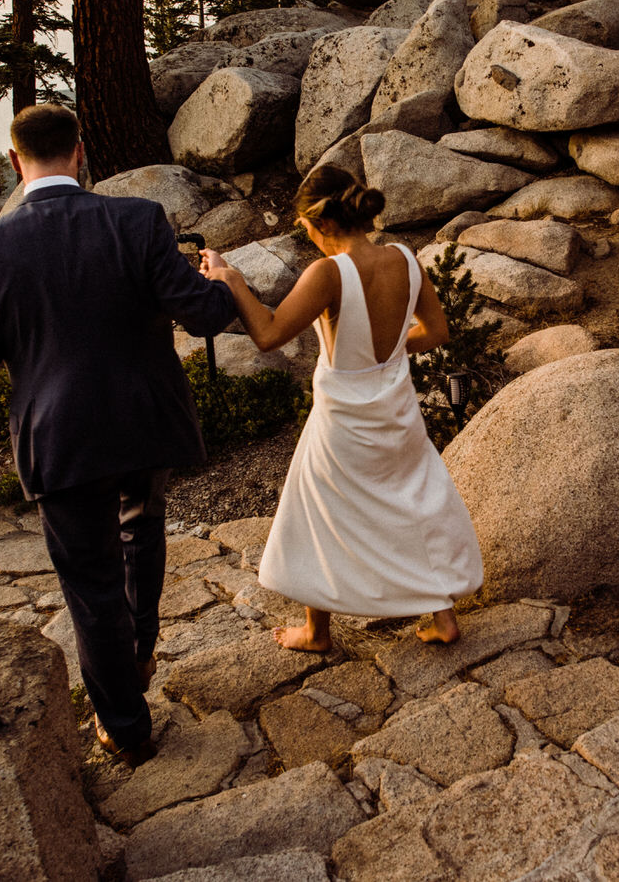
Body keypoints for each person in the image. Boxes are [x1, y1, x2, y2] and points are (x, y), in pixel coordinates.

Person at [0, 103, 237, 766]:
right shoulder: (137, 220)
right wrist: (223, 283)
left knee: (91, 585)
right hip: (146, 419)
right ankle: (139, 650)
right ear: (80, 153)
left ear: (16, 164)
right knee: (142, 530)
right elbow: (203, 313)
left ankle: (126, 728)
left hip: (60, 439)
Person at [199, 166, 483, 651]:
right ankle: (442, 616)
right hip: (396, 407)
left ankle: (316, 631)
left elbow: (268, 335)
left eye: (305, 227)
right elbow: (437, 332)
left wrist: (230, 279)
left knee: (317, 511)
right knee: (413, 499)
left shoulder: (328, 273)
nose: (307, 237)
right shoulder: (406, 261)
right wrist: (388, 353)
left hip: (343, 419)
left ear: (324, 222)